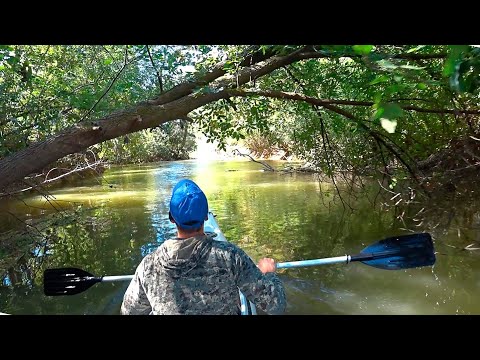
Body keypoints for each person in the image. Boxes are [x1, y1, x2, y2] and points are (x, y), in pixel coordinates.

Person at [120, 179, 286, 315]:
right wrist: (269, 274)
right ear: (206, 216)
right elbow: (275, 305)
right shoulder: (230, 256)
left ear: (171, 218)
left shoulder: (148, 265)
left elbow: (129, 311)